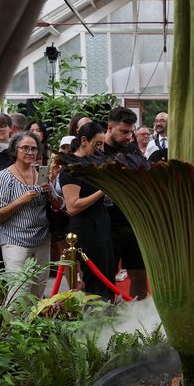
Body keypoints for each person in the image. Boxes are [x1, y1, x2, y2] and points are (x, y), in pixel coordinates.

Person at [0, 131, 61, 301]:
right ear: (15, 150)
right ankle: (13, 328)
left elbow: (59, 205)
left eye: (34, 149)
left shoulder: (40, 173)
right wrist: (21, 200)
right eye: (25, 148)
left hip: (43, 240)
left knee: (37, 295)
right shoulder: (5, 177)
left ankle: (33, 327)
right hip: (15, 242)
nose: (30, 152)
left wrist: (50, 193)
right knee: (18, 295)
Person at [59, 121, 115, 299]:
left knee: (108, 279)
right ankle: (94, 323)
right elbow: (72, 206)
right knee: (95, 284)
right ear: (84, 140)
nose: (99, 148)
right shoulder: (70, 168)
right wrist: (102, 190)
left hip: (102, 227)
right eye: (96, 144)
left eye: (101, 144)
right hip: (86, 230)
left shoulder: (94, 164)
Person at [102, 107, 148, 299]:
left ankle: (139, 320)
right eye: (123, 132)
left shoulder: (131, 149)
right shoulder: (98, 150)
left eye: (131, 132)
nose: (128, 136)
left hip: (132, 222)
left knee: (139, 273)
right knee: (105, 276)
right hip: (106, 224)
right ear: (110, 127)